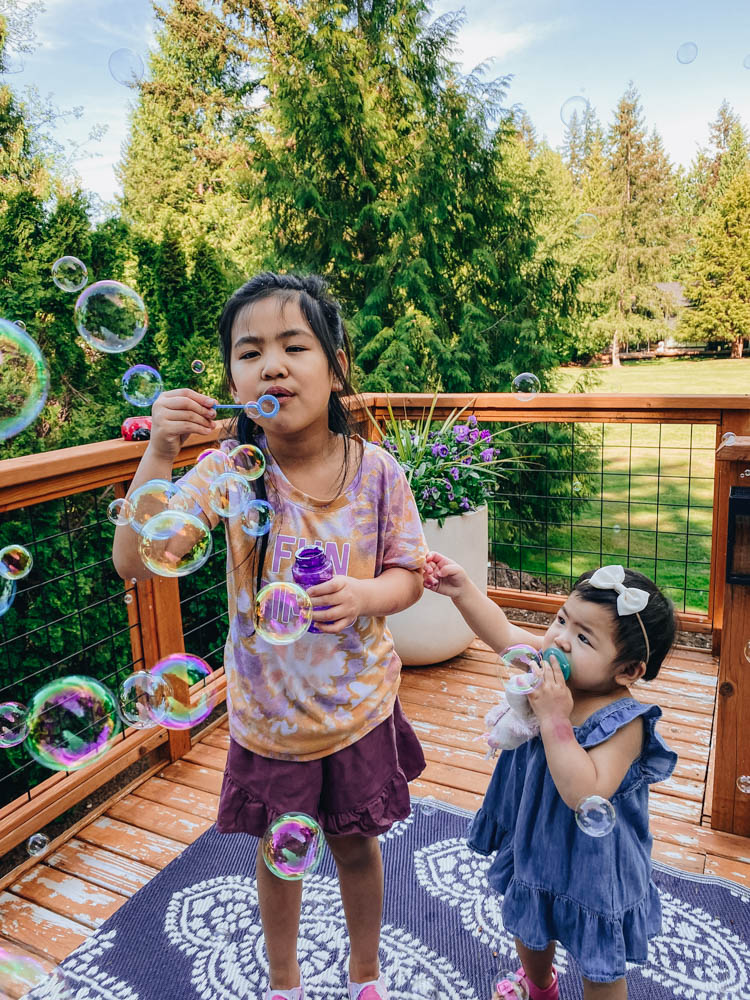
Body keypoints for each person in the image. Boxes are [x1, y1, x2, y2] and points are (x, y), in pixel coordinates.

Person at [113, 272, 428, 1000]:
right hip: (270, 721)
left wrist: (364, 595)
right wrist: (158, 453)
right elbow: (137, 559)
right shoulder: (226, 471)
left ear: (335, 363)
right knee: (282, 856)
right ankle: (283, 983)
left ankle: (365, 975)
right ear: (230, 376)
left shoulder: (376, 471)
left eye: (295, 345)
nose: (273, 365)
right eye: (249, 351)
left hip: (357, 710)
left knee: (356, 848)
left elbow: (408, 575)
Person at [423, 554, 678, 1000]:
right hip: (537, 836)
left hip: (595, 866)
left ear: (628, 670)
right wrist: (463, 590)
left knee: (599, 958)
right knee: (530, 922)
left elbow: (587, 793)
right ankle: (540, 985)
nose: (559, 638)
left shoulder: (626, 722)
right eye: (561, 619)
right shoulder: (547, 667)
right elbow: (502, 635)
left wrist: (556, 720)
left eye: (583, 637)